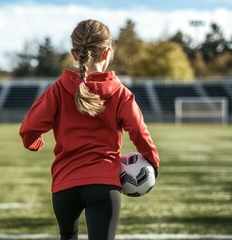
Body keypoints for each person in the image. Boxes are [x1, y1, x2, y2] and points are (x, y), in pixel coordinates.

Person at [19, 19, 160, 240]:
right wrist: (153, 162)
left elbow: (28, 128)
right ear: (107, 53)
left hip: (64, 186)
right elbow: (139, 131)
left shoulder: (57, 90)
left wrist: (34, 143)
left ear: (75, 54)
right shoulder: (121, 93)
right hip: (104, 186)